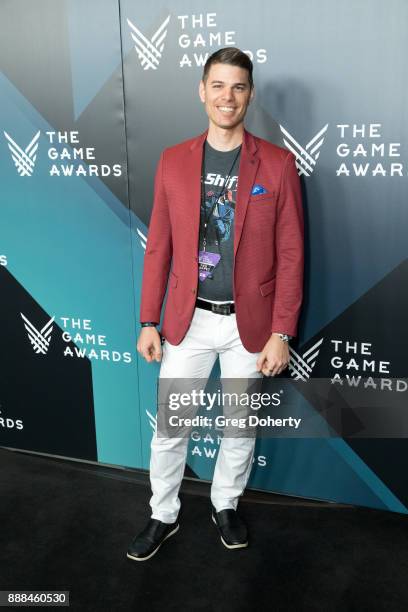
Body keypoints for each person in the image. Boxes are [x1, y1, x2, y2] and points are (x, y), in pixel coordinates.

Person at [127, 47, 304, 561]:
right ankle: (163, 514)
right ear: (202, 91)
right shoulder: (172, 160)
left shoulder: (277, 162)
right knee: (171, 428)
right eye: (219, 86)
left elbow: (292, 253)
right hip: (188, 322)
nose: (228, 97)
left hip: (251, 327)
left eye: (239, 87)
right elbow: (158, 244)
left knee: (240, 428)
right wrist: (147, 320)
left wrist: (281, 332)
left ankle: (225, 504)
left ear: (249, 94)